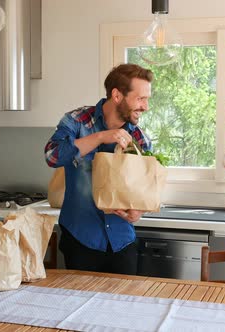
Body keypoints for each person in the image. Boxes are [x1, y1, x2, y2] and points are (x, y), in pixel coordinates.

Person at [44, 64, 153, 275]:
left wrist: (138, 211)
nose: (146, 106)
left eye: (147, 99)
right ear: (117, 95)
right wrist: (101, 137)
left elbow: (144, 188)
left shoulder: (139, 139)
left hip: (122, 242)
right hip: (81, 240)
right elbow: (52, 156)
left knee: (123, 307)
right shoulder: (77, 122)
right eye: (141, 99)